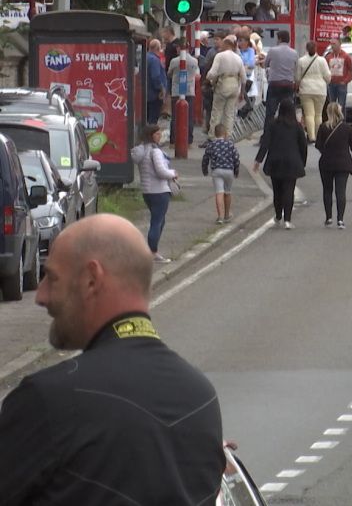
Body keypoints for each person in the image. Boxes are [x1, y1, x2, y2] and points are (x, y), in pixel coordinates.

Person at [0, 214, 224, 504]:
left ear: (92, 280)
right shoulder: (201, 396)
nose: (41, 296)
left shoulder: (50, 400)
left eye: (52, 278)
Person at [254, 98, 308, 229]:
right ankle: (287, 220)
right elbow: (303, 145)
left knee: (277, 191)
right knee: (289, 191)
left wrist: (258, 160)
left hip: (275, 161)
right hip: (292, 161)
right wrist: (302, 161)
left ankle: (278, 216)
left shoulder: (273, 124)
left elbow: (265, 143)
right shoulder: (297, 126)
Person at [130, 125, 178, 263]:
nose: (160, 136)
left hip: (147, 191)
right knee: (157, 222)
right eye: (157, 134)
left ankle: (152, 250)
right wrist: (173, 173)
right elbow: (161, 171)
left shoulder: (141, 151)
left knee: (159, 220)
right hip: (160, 190)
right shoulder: (155, 152)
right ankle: (152, 252)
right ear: (151, 135)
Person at [316, 102, 352, 229]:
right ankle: (340, 219)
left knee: (327, 190)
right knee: (341, 191)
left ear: (328, 113)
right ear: (340, 112)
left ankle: (328, 217)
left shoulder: (323, 127)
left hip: (326, 163)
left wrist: (326, 151)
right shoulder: (347, 128)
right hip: (343, 163)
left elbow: (318, 145)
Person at [206, 36, 247, 136]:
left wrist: (208, 79)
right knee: (229, 114)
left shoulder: (220, 56)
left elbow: (212, 73)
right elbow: (244, 78)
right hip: (234, 86)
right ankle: (227, 136)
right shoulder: (238, 58)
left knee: (217, 112)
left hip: (223, 84)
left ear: (227, 44)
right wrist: (242, 93)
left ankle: (213, 136)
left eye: (223, 44)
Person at [201, 124, 240, 225]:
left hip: (216, 170)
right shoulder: (230, 144)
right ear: (225, 133)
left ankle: (220, 217)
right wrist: (236, 170)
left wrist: (204, 170)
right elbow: (236, 158)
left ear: (215, 133)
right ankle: (227, 214)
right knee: (227, 192)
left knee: (219, 193)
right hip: (229, 171)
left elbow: (205, 158)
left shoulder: (211, 145)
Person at [263, 31, 299, 136]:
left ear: (279, 39)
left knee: (270, 112)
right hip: (288, 84)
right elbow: (296, 68)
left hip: (275, 84)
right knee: (288, 110)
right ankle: (290, 133)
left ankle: (267, 135)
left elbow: (266, 64)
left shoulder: (272, 51)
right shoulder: (294, 53)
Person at [296, 41, 331, 142]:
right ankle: (318, 135)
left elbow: (297, 77)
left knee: (309, 114)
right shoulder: (322, 60)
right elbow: (328, 76)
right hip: (320, 90)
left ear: (306, 49)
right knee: (318, 114)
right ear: (316, 48)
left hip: (306, 90)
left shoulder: (301, 61)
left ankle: (311, 137)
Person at [166, 37, 199, 144]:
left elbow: (169, 73)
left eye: (177, 47)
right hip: (190, 91)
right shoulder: (194, 61)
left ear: (181, 48)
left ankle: (174, 139)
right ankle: (189, 139)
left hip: (177, 91)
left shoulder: (174, 61)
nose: (176, 50)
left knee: (175, 116)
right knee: (189, 116)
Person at [326, 36, 352, 110]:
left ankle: (342, 121)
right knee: (332, 105)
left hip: (341, 84)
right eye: (331, 44)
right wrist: (328, 80)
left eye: (334, 44)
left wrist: (345, 81)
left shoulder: (346, 56)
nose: (332, 46)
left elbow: (351, 70)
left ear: (339, 44)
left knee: (341, 106)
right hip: (331, 84)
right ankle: (333, 120)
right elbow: (325, 70)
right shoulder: (329, 57)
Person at [145, 40, 167, 124]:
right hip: (154, 95)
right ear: (158, 48)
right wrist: (161, 88)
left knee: (146, 119)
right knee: (153, 120)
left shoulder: (145, 57)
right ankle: (151, 136)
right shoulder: (154, 60)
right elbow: (156, 76)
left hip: (146, 94)